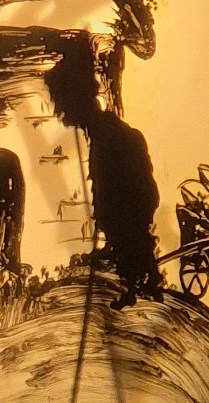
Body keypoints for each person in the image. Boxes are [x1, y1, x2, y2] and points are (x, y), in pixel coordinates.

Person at [44, 38, 162, 307]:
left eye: (63, 105)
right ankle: (143, 284)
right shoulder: (101, 133)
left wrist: (108, 215)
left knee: (131, 242)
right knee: (131, 244)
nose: (60, 113)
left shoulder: (109, 136)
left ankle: (140, 288)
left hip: (130, 207)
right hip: (127, 209)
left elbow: (116, 185)